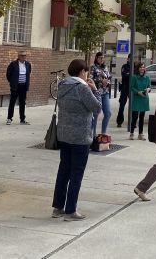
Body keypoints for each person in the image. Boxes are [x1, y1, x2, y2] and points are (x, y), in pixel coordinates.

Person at [52, 59, 101, 221]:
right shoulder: (83, 88)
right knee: (76, 174)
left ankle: (57, 208)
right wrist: (95, 90)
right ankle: (70, 210)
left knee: (63, 171)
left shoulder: (62, 86)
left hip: (64, 135)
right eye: (86, 71)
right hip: (80, 137)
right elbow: (97, 108)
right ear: (82, 72)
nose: (87, 74)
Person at [5, 51, 31, 125]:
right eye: (22, 56)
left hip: (23, 86)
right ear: (19, 56)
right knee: (12, 102)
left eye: (25, 56)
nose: (24, 57)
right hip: (15, 86)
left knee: (22, 103)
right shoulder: (13, 64)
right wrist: (12, 82)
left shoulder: (28, 64)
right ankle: (9, 118)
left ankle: (22, 119)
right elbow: (8, 74)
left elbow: (28, 74)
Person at [90, 52, 112, 136]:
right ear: (96, 58)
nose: (102, 59)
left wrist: (107, 82)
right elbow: (90, 79)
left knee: (108, 113)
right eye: (100, 58)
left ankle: (103, 133)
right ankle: (92, 134)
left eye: (103, 58)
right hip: (97, 93)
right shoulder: (93, 67)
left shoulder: (105, 67)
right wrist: (100, 81)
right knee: (96, 113)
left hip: (105, 92)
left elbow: (109, 77)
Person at [129, 62, 151, 140]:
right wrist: (138, 92)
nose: (142, 69)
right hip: (137, 98)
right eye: (141, 67)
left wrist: (148, 89)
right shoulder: (134, 77)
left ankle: (140, 134)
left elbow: (149, 87)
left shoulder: (147, 77)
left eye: (143, 67)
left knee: (142, 117)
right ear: (138, 69)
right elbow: (131, 87)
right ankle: (131, 133)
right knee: (134, 117)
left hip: (144, 99)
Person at [116, 55, 132, 128]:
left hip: (132, 88)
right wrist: (129, 74)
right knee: (122, 105)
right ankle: (119, 121)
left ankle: (132, 122)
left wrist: (129, 74)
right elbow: (124, 75)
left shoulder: (134, 67)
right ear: (128, 59)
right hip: (125, 88)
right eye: (130, 58)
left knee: (133, 106)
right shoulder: (124, 66)